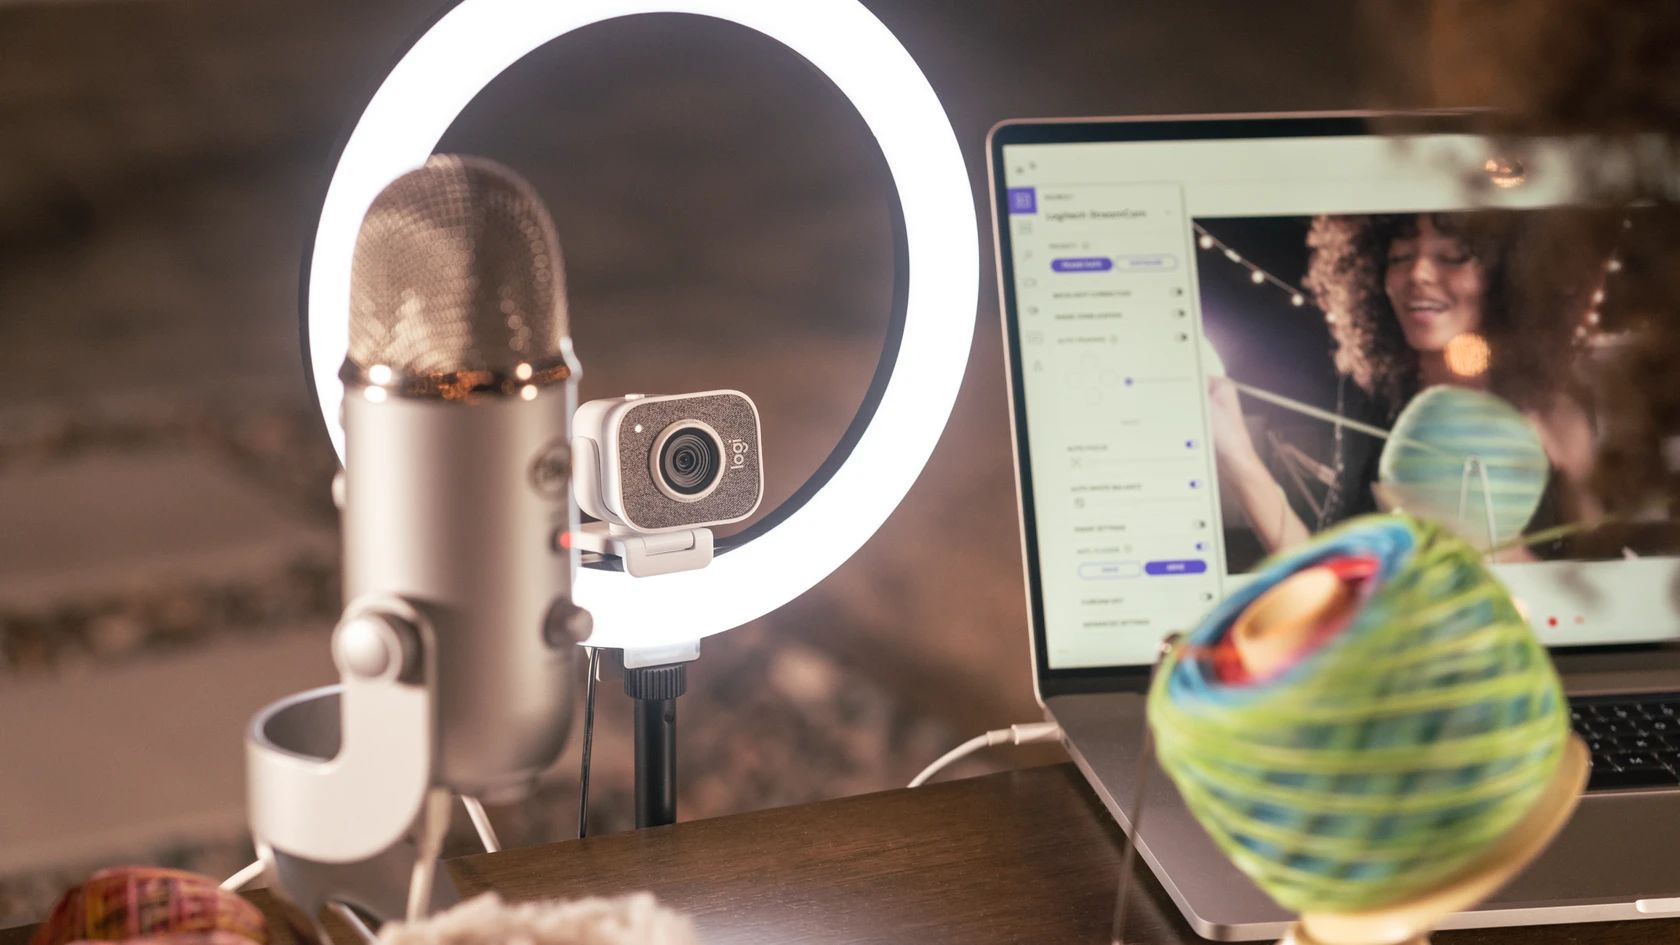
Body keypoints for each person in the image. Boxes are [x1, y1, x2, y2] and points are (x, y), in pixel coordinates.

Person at [1209, 211, 1604, 556]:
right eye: (1399, 257)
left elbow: (1599, 579)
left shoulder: (1552, 405)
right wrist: (1236, 455)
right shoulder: (1373, 398)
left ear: (1508, 274)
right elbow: (1328, 579)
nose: (1418, 274)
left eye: (1454, 256)